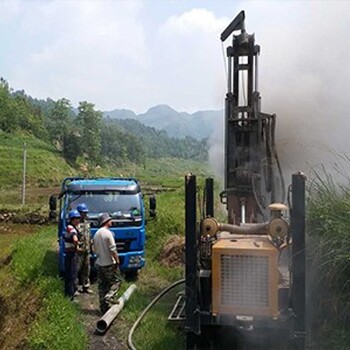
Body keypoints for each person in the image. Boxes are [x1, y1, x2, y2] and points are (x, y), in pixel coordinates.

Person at [93, 212, 123, 314]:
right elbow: (113, 250)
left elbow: (94, 249)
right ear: (106, 222)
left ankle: (103, 308)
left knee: (102, 286)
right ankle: (109, 296)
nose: (111, 222)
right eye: (110, 220)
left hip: (99, 263)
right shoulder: (108, 233)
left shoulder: (96, 234)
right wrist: (117, 261)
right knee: (117, 281)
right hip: (109, 263)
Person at [64, 209, 80, 300]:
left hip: (68, 253)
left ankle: (68, 294)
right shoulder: (72, 228)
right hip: (72, 254)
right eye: (76, 219)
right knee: (72, 275)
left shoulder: (68, 227)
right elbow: (75, 239)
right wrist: (76, 247)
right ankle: (71, 297)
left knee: (69, 274)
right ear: (72, 219)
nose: (78, 220)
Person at [76, 203, 93, 294]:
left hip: (87, 250)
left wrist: (91, 246)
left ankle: (86, 286)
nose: (85, 214)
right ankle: (75, 288)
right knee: (76, 269)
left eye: (86, 213)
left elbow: (89, 236)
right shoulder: (75, 224)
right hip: (78, 251)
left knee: (86, 269)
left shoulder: (87, 224)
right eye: (84, 213)